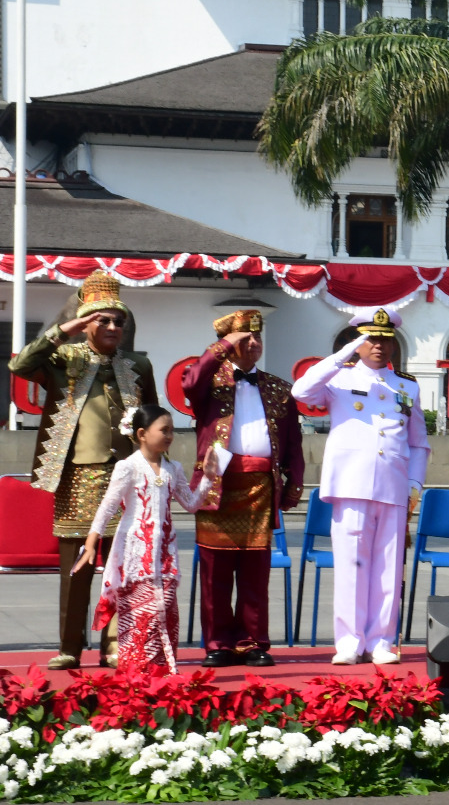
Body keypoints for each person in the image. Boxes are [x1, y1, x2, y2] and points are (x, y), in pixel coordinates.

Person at [10, 270, 156, 670]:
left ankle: (114, 645)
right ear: (86, 323)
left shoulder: (138, 364)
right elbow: (21, 364)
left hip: (126, 477)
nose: (111, 327)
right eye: (102, 320)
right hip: (78, 476)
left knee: (122, 564)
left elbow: (152, 420)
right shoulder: (63, 358)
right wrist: (66, 327)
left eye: (117, 321)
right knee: (77, 567)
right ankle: (70, 646)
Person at [291, 308, 431, 665]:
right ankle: (349, 641)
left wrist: (415, 482)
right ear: (358, 341)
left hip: (395, 486)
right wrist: (344, 354)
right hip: (352, 485)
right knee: (352, 565)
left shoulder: (407, 386)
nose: (379, 345)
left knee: (388, 566)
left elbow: (418, 442)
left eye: (385, 338)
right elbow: (302, 390)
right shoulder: (337, 380)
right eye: (371, 338)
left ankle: (382, 640)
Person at [182, 309, 305, 668]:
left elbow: (294, 443)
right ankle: (218, 643)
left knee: (255, 570)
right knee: (215, 570)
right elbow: (189, 383)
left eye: (256, 337)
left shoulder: (280, 388)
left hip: (260, 486)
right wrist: (222, 346)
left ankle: (253, 642)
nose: (253, 344)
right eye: (244, 339)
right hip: (218, 483)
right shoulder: (210, 383)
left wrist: (294, 484)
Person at [76, 405, 219, 679]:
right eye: (163, 430)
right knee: (137, 616)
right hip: (134, 555)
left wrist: (208, 478)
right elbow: (107, 507)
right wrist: (91, 543)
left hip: (165, 554)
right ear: (142, 433)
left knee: (164, 611)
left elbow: (190, 504)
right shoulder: (127, 467)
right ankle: (134, 674)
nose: (170, 436)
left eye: (171, 430)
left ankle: (161, 672)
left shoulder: (173, 468)